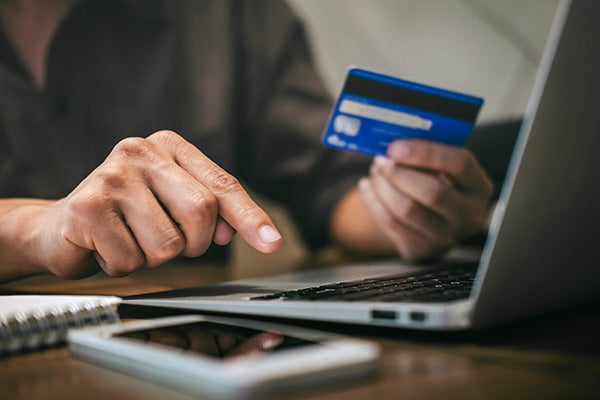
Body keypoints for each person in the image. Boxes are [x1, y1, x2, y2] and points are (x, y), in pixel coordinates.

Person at [0, 0, 493, 282]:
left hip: (190, 352)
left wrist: (411, 208)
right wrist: (34, 229)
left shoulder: (226, 13)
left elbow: (334, 186)